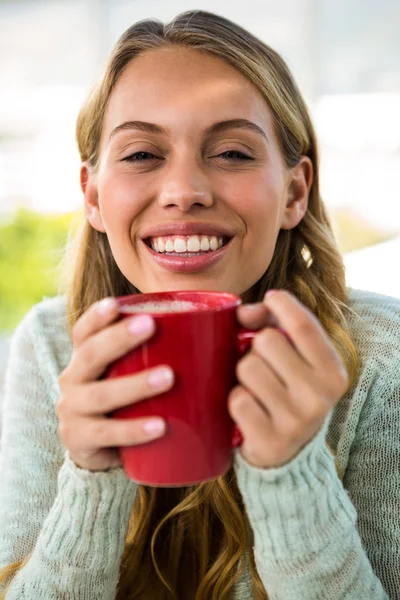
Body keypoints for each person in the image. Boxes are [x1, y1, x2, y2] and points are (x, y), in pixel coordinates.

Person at [0, 9, 398, 600]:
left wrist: (294, 479)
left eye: (233, 153)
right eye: (141, 155)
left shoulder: (382, 359)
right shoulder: (52, 346)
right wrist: (90, 479)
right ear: (92, 197)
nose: (185, 191)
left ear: (294, 191)